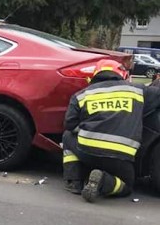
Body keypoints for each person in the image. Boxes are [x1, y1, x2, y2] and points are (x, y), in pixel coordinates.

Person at [62, 59, 160, 203]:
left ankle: (74, 182)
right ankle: (103, 180)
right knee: (126, 185)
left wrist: (86, 130)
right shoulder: (138, 90)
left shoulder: (81, 95)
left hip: (88, 151)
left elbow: (69, 124)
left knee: (67, 136)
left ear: (95, 75)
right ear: (121, 73)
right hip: (121, 156)